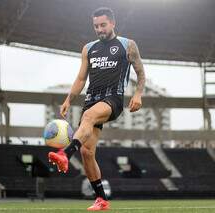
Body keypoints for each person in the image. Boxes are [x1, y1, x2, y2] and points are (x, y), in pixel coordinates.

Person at [48, 7, 146, 211]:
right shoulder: (88, 48)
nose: (99, 29)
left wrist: (137, 94)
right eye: (96, 26)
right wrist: (68, 99)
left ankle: (65, 153)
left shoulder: (127, 45)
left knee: (89, 116)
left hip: (113, 100)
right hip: (91, 99)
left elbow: (141, 72)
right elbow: (81, 78)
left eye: (103, 25)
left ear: (112, 23)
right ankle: (101, 199)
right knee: (87, 152)